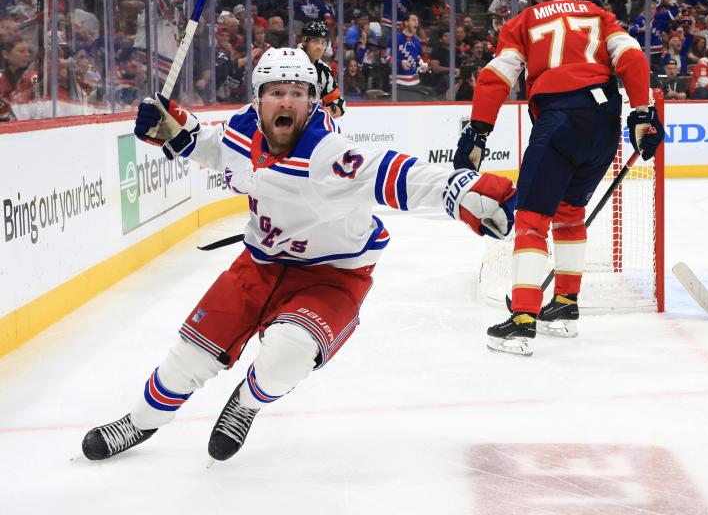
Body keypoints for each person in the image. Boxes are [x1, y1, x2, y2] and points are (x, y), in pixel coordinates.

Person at [81, 47, 517, 462]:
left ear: (311, 101)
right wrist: (178, 131)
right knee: (187, 357)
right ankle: (141, 422)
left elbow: (398, 173)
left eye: (297, 92)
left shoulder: (329, 156)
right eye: (275, 92)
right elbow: (218, 148)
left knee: (286, 353)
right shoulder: (243, 129)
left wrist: (465, 192)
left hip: (332, 276)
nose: (286, 100)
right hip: (260, 264)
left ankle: (247, 402)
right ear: (258, 101)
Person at [452, 0, 664, 356]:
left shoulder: (523, 22)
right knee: (570, 212)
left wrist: (479, 130)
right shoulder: (598, 15)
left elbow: (496, 77)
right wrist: (641, 113)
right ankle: (565, 307)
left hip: (559, 121)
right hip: (604, 124)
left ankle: (523, 320)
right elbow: (632, 57)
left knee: (531, 219)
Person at [299, 20, 344, 118]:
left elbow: (338, 101)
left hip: (312, 126)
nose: (320, 47)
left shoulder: (324, 70)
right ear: (304, 41)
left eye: (323, 43)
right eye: (316, 41)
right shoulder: (288, 61)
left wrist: (335, 109)